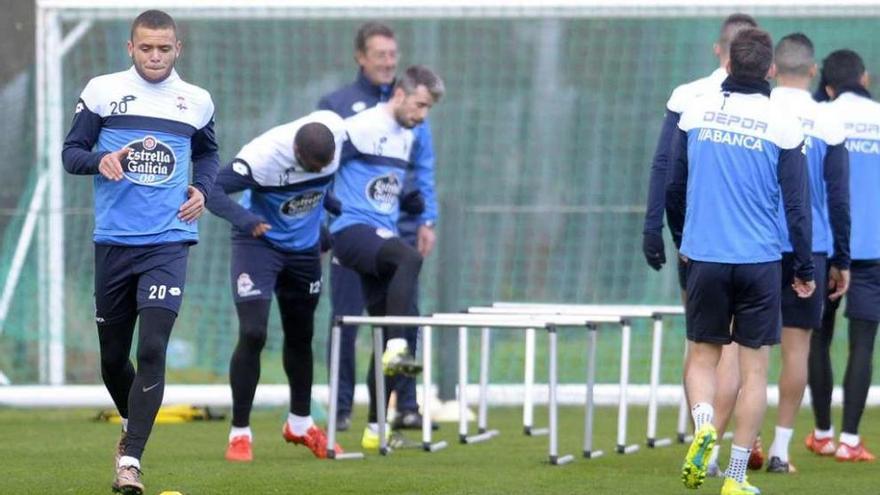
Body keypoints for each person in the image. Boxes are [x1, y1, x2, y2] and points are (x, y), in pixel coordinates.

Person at [61, 9, 218, 494]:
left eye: (164, 48)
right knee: (113, 360)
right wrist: (99, 160)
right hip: (113, 242)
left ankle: (131, 459)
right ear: (130, 48)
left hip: (169, 241)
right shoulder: (103, 90)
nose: (155, 56)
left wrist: (203, 190)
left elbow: (208, 153)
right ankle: (137, 419)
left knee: (152, 348)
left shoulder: (196, 101)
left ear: (178, 49)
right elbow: (71, 153)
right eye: (146, 48)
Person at [666, 28, 814, 495]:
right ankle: (733, 478)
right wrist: (805, 268)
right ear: (769, 69)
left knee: (703, 358)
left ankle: (705, 422)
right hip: (760, 262)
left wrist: (681, 239)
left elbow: (673, 185)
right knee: (753, 374)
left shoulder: (695, 112)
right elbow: (797, 206)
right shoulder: (783, 121)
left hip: (704, 256)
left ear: (728, 65)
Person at [642, 12, 768, 472]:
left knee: (700, 348)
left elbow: (665, 169)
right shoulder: (770, 110)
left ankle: (704, 437)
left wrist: (659, 228)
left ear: (722, 50)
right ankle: (719, 452)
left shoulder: (688, 96)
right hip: (753, 249)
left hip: (695, 242)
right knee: (735, 353)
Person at [318, 21, 439, 432]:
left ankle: (389, 414)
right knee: (347, 323)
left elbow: (419, 171)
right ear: (361, 57)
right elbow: (317, 163)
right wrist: (320, 217)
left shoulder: (410, 121)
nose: (388, 61)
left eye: (393, 54)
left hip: (389, 229)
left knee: (397, 318)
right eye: (380, 54)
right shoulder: (344, 110)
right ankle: (340, 410)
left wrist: (424, 213)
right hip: (353, 232)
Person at [205, 111, 346, 462]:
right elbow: (211, 190)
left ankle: (300, 423)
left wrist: (327, 209)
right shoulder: (261, 158)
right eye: (309, 167)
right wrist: (246, 219)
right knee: (253, 333)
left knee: (301, 335)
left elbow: (317, 186)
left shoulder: (339, 135)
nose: (316, 172)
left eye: (322, 168)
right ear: (296, 151)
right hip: (259, 245)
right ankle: (240, 433)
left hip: (304, 252)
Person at [764, 33, 851, 474]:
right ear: (813, 71)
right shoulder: (828, 122)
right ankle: (780, 450)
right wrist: (842, 260)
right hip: (811, 249)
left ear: (773, 69)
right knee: (796, 351)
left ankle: (747, 441)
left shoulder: (759, 113)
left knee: (747, 348)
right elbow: (839, 199)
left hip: (756, 246)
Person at [806, 49, 880, 463]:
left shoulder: (822, 118)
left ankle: (822, 433)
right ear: (865, 78)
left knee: (818, 338)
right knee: (864, 343)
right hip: (873, 249)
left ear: (828, 86)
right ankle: (851, 441)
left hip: (828, 246)